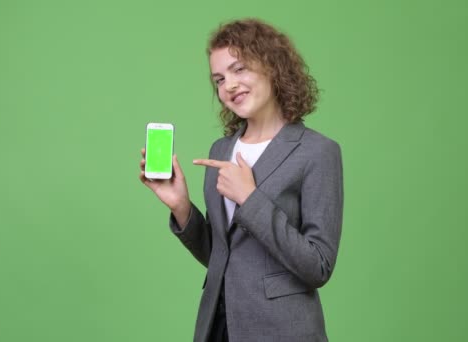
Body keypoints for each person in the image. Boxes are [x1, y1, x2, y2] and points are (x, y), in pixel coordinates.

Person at [139, 18, 343, 342]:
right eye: (219, 79)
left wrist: (250, 199)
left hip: (281, 331)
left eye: (239, 69)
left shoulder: (317, 152)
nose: (228, 86)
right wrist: (181, 208)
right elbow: (224, 257)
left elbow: (318, 266)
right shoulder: (221, 150)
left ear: (273, 67)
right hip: (218, 326)